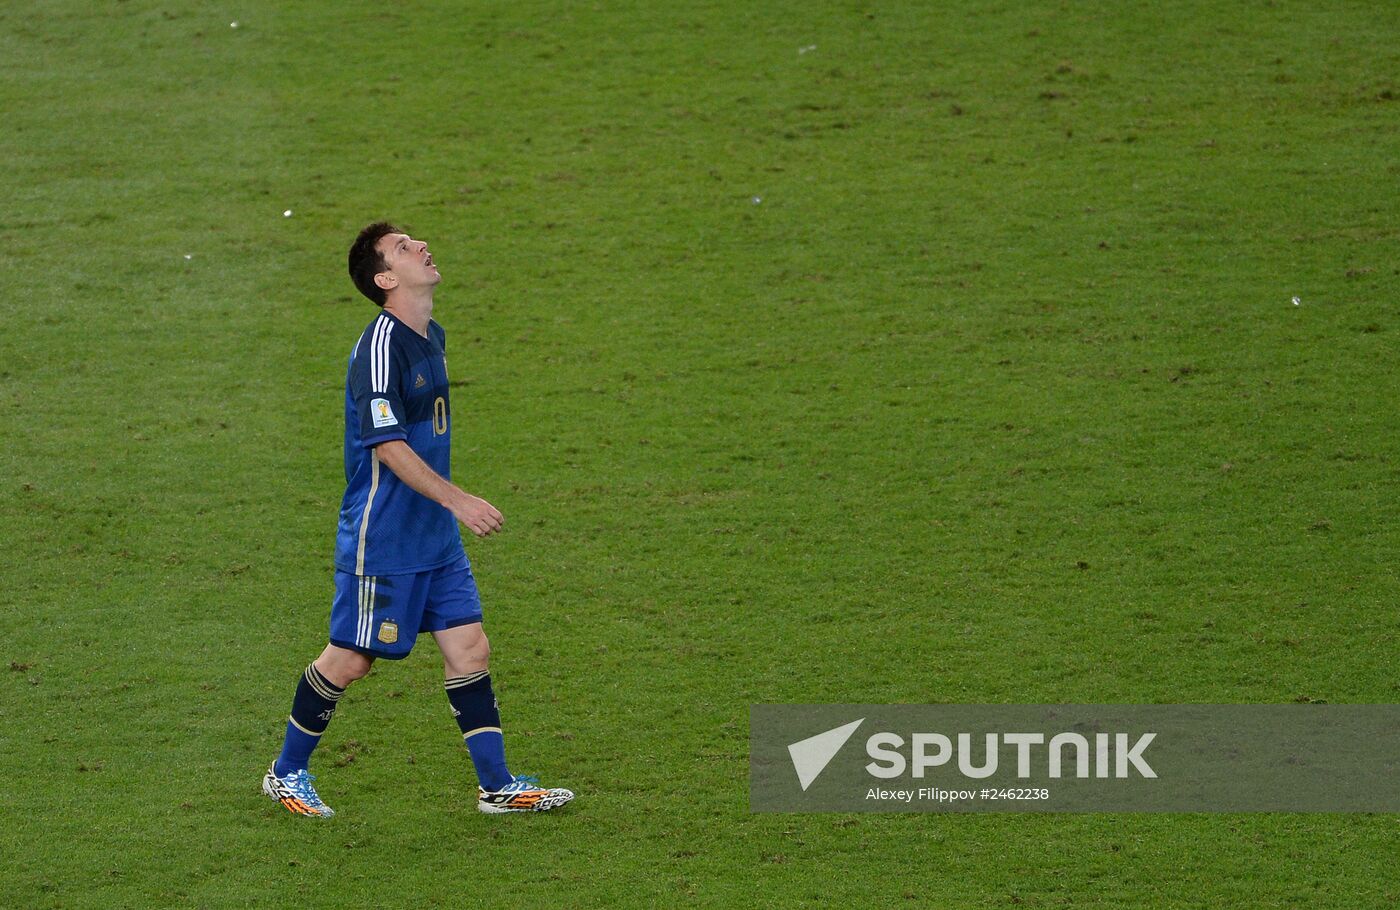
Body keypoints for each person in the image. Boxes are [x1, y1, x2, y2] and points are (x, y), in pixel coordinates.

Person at [261, 222, 574, 817]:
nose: (422, 246)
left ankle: (497, 786)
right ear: (385, 279)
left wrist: (446, 514)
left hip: (434, 537)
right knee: (350, 660)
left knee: (470, 649)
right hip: (384, 537)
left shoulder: (431, 334)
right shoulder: (379, 351)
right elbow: (388, 446)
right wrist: (458, 500)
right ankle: (286, 771)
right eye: (403, 248)